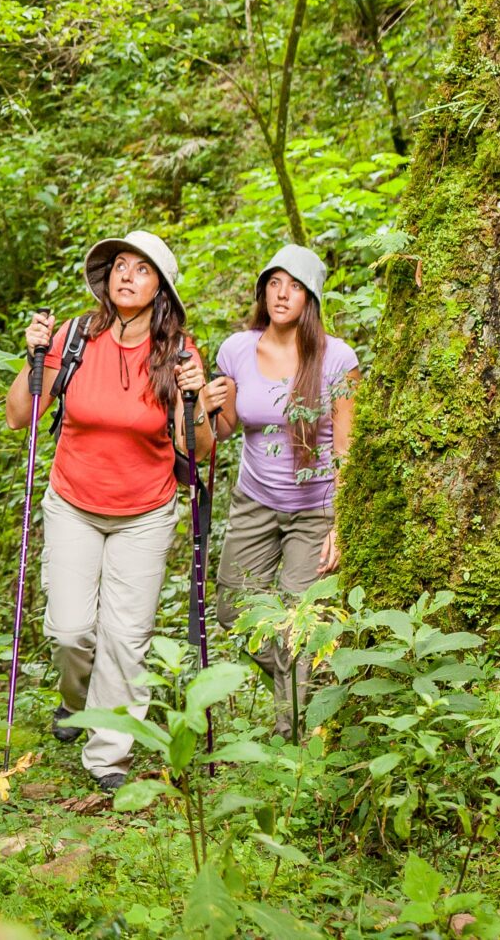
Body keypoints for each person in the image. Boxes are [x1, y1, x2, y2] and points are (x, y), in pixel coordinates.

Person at [14, 230, 220, 792]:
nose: (127, 275)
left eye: (142, 269)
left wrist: (196, 398)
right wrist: (33, 358)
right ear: (106, 279)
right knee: (70, 630)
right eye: (120, 266)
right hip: (74, 503)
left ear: (162, 290)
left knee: (125, 639)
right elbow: (19, 416)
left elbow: (197, 448)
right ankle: (76, 701)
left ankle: (108, 756)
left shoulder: (177, 353)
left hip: (145, 512)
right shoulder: (75, 336)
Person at [207, 243, 359, 733]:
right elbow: (224, 426)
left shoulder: (337, 358)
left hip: (314, 511)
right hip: (255, 501)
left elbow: (345, 450)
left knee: (297, 624)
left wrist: (340, 525)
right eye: (274, 282)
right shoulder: (236, 350)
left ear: (310, 297)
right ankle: (313, 680)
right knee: (233, 609)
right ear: (262, 289)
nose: (282, 293)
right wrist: (201, 403)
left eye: (294, 286)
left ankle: (287, 738)